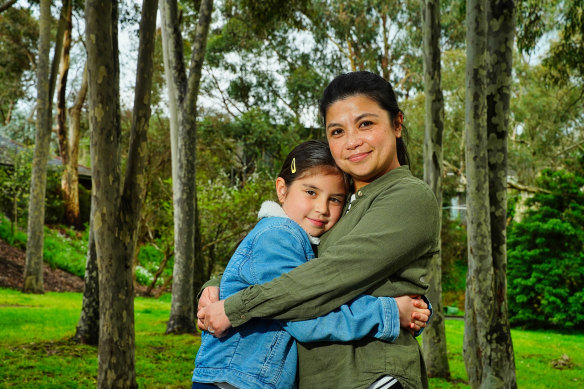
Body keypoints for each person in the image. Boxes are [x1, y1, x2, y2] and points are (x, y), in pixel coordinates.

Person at [198, 71, 440, 389]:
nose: (352, 141)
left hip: (373, 378)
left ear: (397, 124)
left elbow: (326, 277)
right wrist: (221, 284)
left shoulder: (407, 196)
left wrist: (235, 307)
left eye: (366, 124)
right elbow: (293, 263)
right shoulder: (342, 203)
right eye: (337, 131)